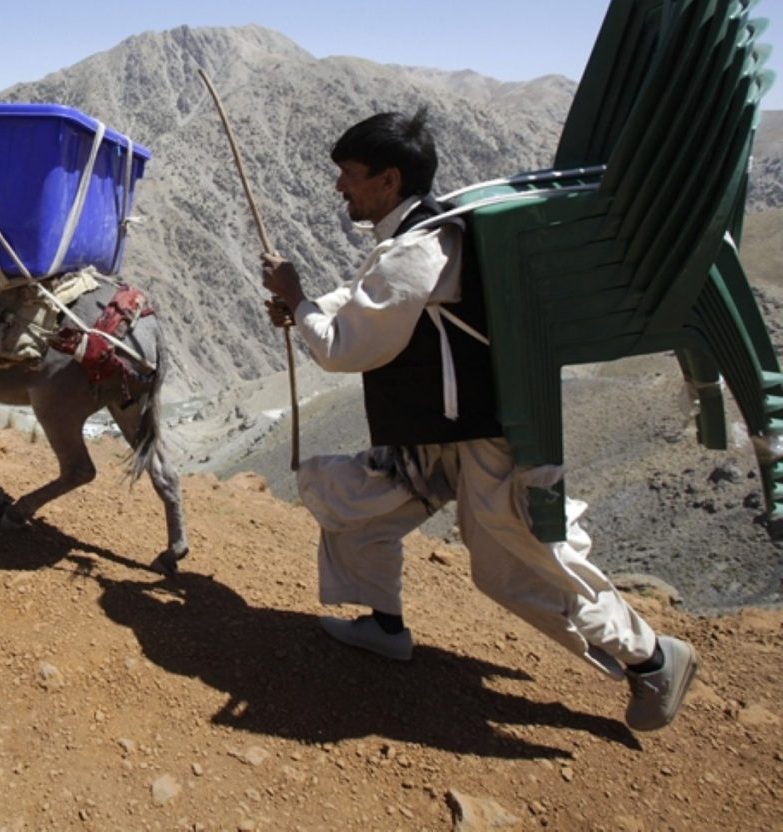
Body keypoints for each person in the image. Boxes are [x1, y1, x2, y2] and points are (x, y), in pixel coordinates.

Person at [260, 107, 698, 733]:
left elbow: (343, 348)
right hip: (436, 432)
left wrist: (298, 300)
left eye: (350, 175)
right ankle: (385, 628)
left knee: (517, 569)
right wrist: (305, 307)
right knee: (351, 499)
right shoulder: (415, 235)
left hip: (480, 438)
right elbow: (367, 296)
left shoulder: (417, 249)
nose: (339, 188)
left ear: (388, 180)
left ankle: (653, 659)